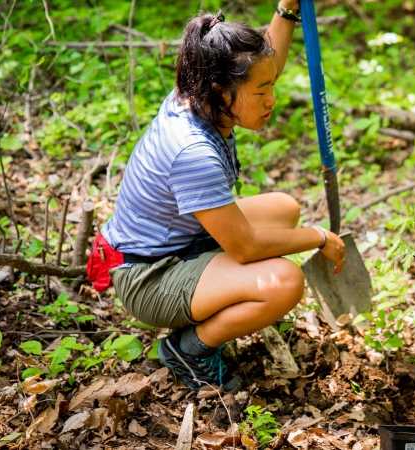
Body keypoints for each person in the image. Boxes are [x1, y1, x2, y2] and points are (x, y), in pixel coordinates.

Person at [99, 2, 347, 393]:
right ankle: (189, 349)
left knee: (284, 209)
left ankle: (220, 298)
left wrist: (286, 9)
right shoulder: (192, 151)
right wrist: (318, 237)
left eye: (272, 87)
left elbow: (265, 64)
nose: (272, 100)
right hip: (148, 274)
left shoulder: (197, 91)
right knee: (285, 281)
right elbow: (247, 248)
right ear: (221, 90)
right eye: (262, 91)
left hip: (180, 240)